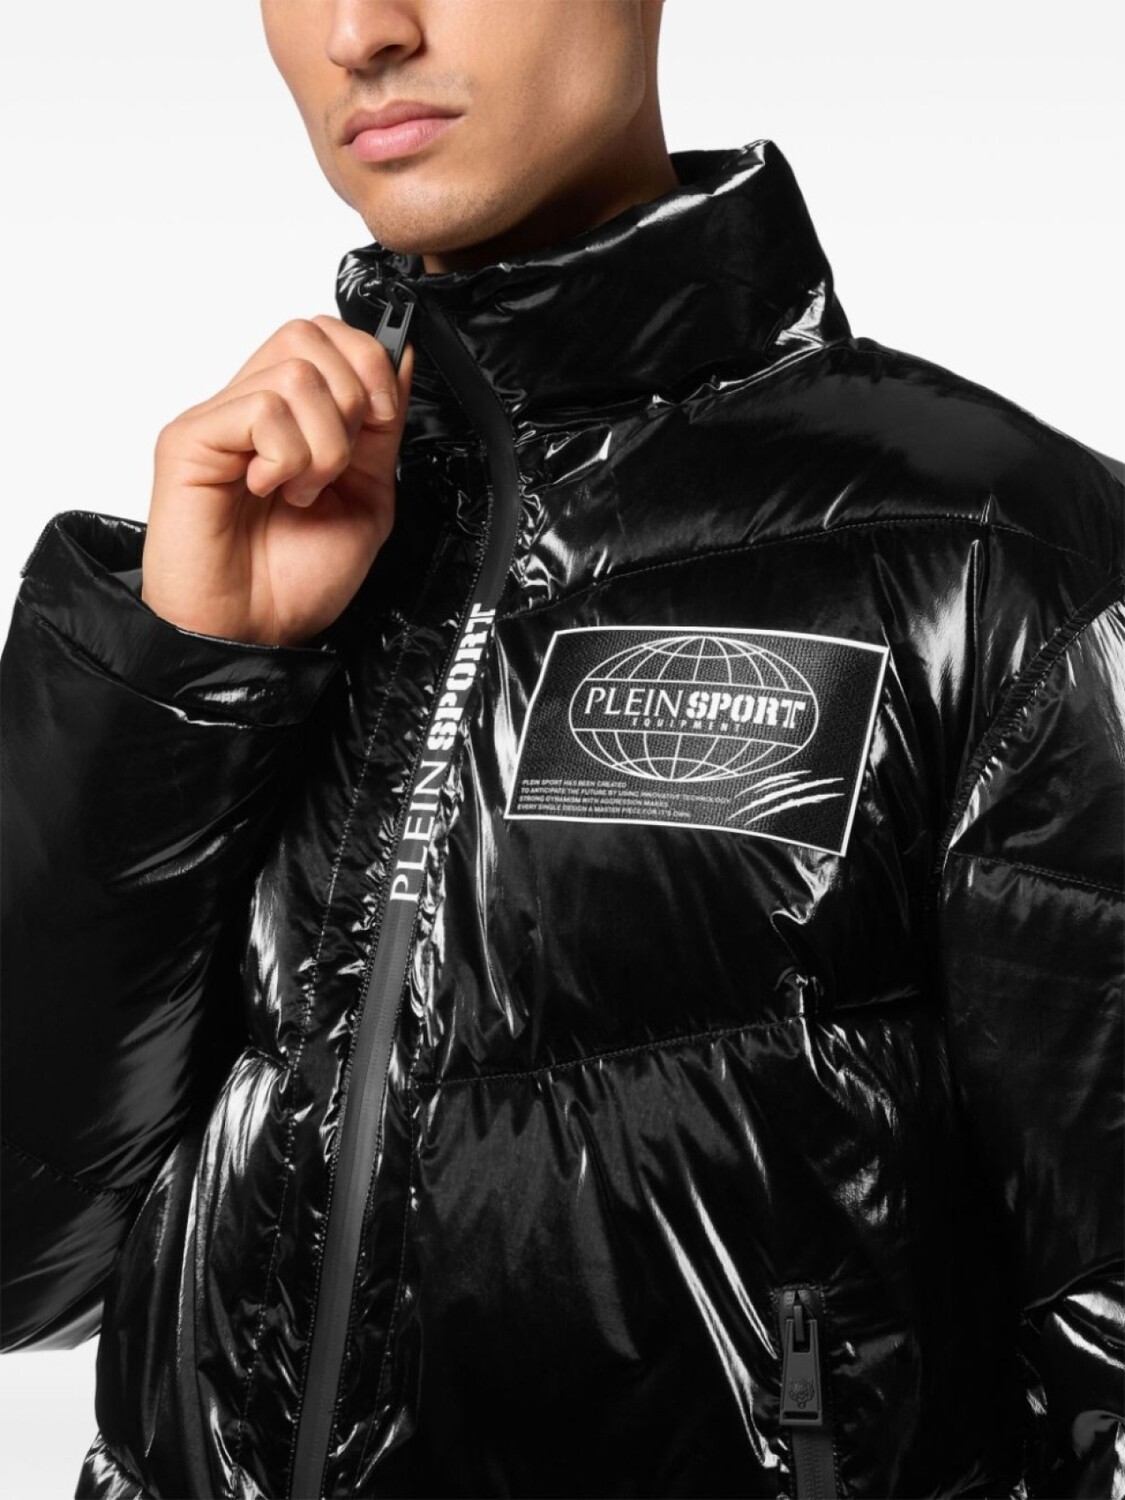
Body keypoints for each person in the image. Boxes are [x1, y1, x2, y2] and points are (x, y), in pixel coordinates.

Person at [2, 1, 1121, 1496]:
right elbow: (23, 1267)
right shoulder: (255, 562)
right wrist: (184, 672)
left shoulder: (993, 563)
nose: (360, 32)